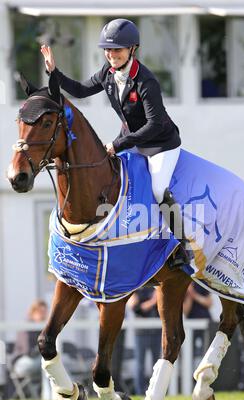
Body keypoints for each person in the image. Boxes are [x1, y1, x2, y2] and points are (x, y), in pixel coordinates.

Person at [40, 18, 189, 266]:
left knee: (158, 189)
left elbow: (154, 125)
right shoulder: (107, 74)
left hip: (161, 144)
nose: (111, 55)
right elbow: (79, 90)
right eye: (108, 50)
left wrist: (118, 145)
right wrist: (54, 72)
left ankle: (181, 247)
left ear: (132, 49)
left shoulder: (146, 81)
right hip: (132, 140)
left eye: (117, 49)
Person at [127, 287, 161, 395]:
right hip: (141, 332)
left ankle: (156, 390)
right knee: (140, 364)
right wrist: (152, 301)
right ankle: (140, 392)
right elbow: (135, 308)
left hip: (156, 330)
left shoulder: (156, 287)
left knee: (157, 363)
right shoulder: (137, 288)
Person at [11, 300, 48, 397]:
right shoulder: (27, 327)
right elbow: (28, 352)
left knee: (49, 364)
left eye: (45, 312)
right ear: (33, 312)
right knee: (48, 363)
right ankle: (48, 396)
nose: (43, 315)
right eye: (41, 312)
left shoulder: (42, 327)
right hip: (21, 363)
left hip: (36, 361)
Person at [183, 282, 213, 364]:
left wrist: (193, 294)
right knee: (190, 352)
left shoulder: (201, 283)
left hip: (206, 323)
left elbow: (209, 303)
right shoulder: (183, 287)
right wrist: (189, 295)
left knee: (207, 350)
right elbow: (185, 311)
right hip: (191, 325)